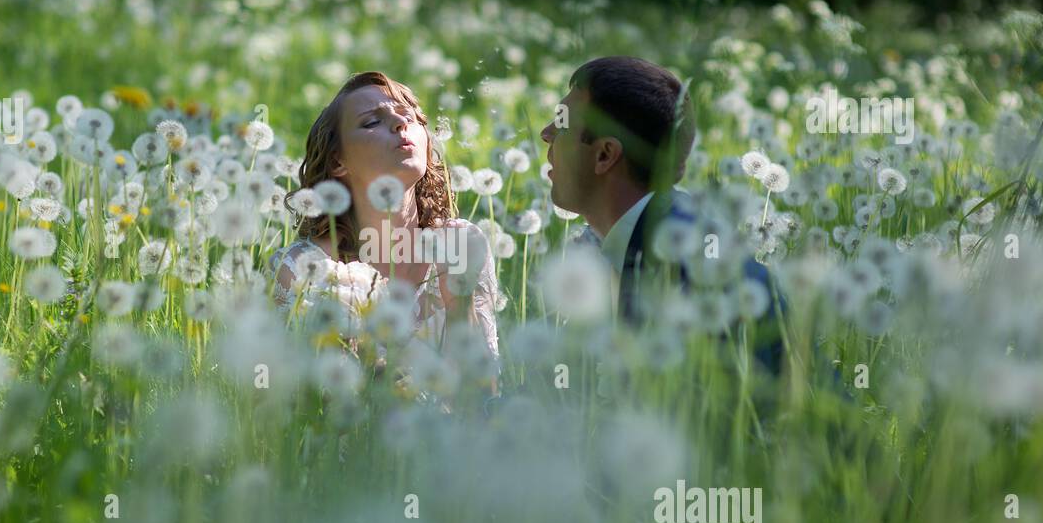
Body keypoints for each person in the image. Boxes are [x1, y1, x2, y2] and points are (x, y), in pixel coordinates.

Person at [539, 55, 785, 376]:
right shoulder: (639, 241)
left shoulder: (678, 273)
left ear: (604, 155)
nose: (546, 134)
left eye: (561, 123)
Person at [270, 71, 500, 393]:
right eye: (371, 122)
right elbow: (294, 404)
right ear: (338, 161)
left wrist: (461, 306)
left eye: (409, 116)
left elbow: (483, 397)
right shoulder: (302, 268)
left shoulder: (462, 245)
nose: (399, 123)